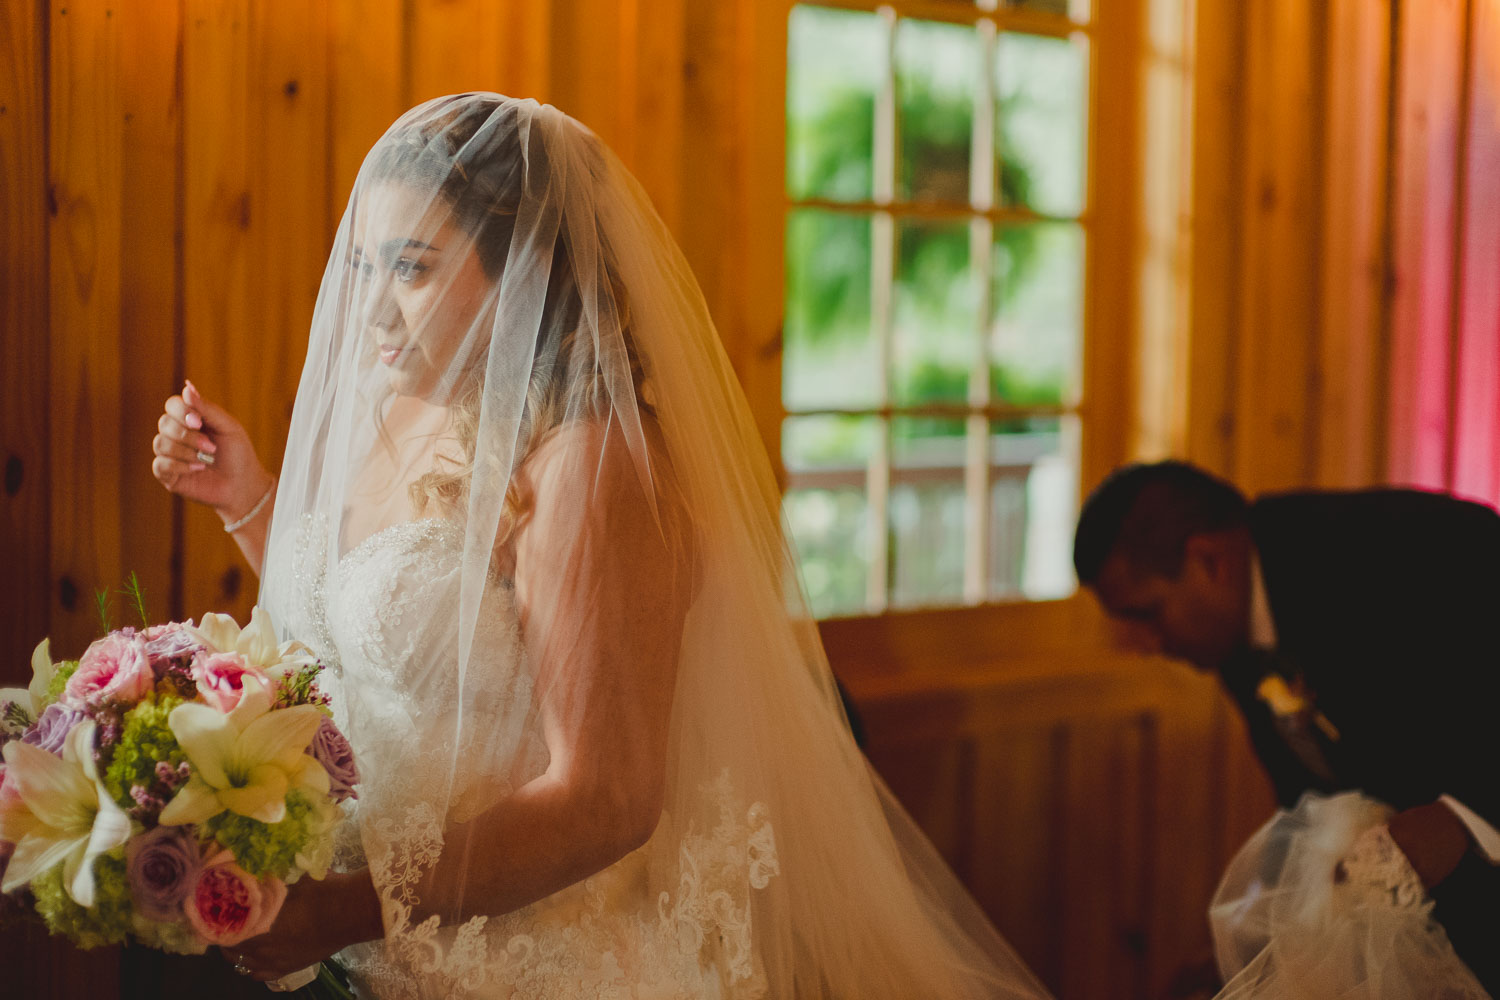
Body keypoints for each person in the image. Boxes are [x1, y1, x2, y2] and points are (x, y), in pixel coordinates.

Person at [151, 93, 1050, 999]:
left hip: (508, 963)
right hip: (351, 949)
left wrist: (346, 908)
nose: (373, 311)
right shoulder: (408, 411)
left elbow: (605, 799)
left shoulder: (594, 461)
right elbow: (381, 649)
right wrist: (249, 499)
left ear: (523, 270)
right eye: (363, 266)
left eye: (413, 269)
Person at [1073, 460, 1500, 995]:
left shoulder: (1401, 552)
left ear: (1210, 560)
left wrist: (1463, 816)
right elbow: (1313, 797)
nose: (1144, 644)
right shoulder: (1231, 626)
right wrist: (1258, 939)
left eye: (1148, 613)